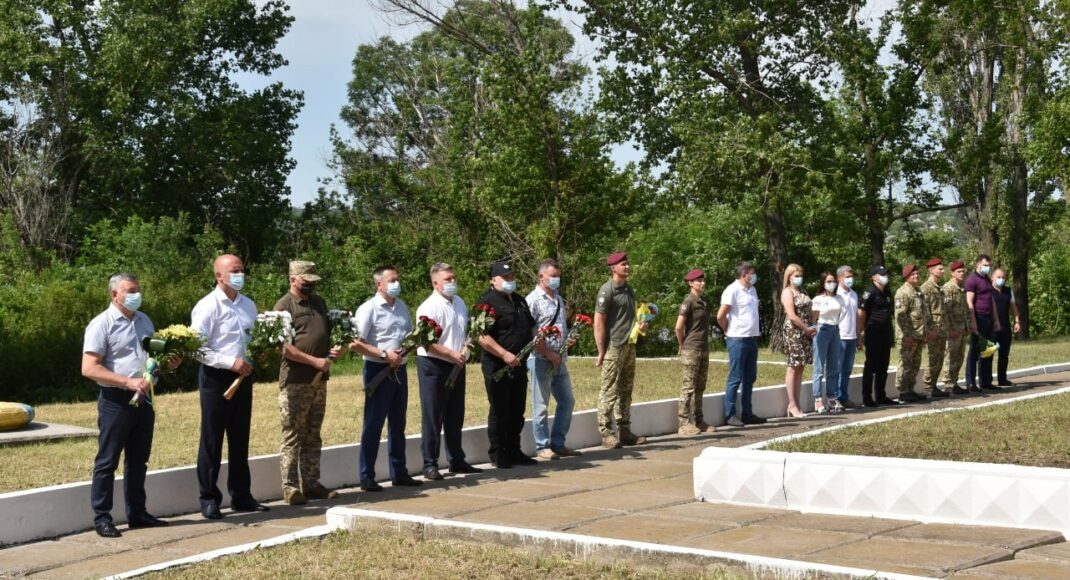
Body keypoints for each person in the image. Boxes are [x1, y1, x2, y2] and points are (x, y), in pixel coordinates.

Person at [82, 273, 171, 537]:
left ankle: (137, 513)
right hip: (115, 400)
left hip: (145, 398)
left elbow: (153, 357)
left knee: (138, 459)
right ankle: (102, 517)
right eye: (130, 291)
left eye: (138, 290)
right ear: (114, 295)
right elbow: (89, 368)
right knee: (107, 461)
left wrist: (167, 363)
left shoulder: (144, 320)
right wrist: (127, 382)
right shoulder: (102, 324)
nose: (136, 295)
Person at [191, 254, 268, 519]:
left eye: (242, 270)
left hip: (243, 378)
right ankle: (209, 498)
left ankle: (241, 495)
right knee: (212, 440)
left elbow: (252, 339)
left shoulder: (248, 305)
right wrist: (229, 362)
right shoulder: (207, 306)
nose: (240, 275)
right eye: (234, 271)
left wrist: (258, 354)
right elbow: (197, 349)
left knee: (240, 438)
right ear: (219, 276)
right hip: (216, 379)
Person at [274, 261, 341, 504]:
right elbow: (283, 347)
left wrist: (335, 350)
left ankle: (311, 484)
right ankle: (290, 488)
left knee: (313, 434)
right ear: (293, 279)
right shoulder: (284, 306)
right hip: (295, 381)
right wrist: (314, 361)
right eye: (306, 281)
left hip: (319, 381)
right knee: (293, 435)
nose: (310, 285)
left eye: (313, 281)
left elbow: (328, 333)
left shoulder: (319, 302)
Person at [351, 266, 422, 491]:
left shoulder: (401, 307)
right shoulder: (368, 309)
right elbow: (355, 342)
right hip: (377, 371)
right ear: (378, 284)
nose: (396, 283)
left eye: (397, 279)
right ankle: (366, 476)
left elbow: (408, 335)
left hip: (399, 371)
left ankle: (399, 472)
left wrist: (410, 346)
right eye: (391, 280)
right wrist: (384, 354)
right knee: (373, 424)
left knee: (398, 423)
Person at [416, 263, 482, 480]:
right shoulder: (428, 308)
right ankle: (430, 464)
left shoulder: (459, 302)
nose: (452, 282)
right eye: (447, 279)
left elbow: (465, 331)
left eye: (453, 278)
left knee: (455, 414)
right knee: (433, 415)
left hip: (457, 363)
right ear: (435, 283)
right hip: (434, 365)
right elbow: (427, 342)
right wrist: (451, 355)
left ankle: (457, 460)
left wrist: (468, 346)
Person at [477, 261, 538, 468]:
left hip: (519, 364)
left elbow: (531, 326)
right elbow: (481, 336)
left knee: (516, 409)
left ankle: (514, 449)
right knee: (500, 409)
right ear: (493, 280)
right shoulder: (486, 303)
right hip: (497, 365)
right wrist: (504, 354)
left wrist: (536, 340)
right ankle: (498, 453)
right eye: (505, 278)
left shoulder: (520, 301)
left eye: (512, 277)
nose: (510, 281)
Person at [526, 259, 580, 459]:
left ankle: (558, 443)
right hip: (541, 359)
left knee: (567, 401)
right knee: (540, 405)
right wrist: (549, 353)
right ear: (541, 277)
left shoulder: (558, 298)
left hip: (560, 359)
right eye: (553, 276)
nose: (557, 280)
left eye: (558, 276)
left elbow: (559, 326)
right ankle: (542, 446)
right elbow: (531, 334)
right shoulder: (532, 300)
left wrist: (567, 342)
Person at [594, 252, 647, 448]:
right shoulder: (607, 291)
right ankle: (606, 432)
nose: (627, 267)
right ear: (613, 268)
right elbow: (598, 322)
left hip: (629, 345)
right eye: (623, 264)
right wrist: (601, 350)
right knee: (609, 390)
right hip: (613, 347)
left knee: (626, 389)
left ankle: (624, 430)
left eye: (627, 264)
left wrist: (642, 326)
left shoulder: (628, 289)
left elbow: (631, 317)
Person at [717, 261, 766, 427]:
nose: (754, 276)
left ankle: (747, 413)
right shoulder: (732, 290)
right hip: (737, 338)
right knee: (735, 377)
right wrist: (727, 330)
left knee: (750, 377)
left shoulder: (752, 290)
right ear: (744, 274)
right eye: (752, 273)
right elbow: (720, 316)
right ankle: (730, 415)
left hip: (752, 337)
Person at [675, 268, 715, 435]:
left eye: (703, 280)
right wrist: (683, 345)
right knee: (688, 387)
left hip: (703, 348)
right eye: (698, 280)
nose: (702, 283)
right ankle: (684, 423)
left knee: (700, 386)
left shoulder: (703, 301)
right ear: (690, 283)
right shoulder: (688, 301)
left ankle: (699, 420)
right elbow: (678, 327)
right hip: (691, 348)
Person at [774, 263, 814, 417]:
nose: (799, 278)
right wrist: (805, 328)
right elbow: (791, 315)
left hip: (806, 331)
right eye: (796, 276)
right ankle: (792, 404)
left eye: (801, 275)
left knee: (801, 367)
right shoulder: (787, 292)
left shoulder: (802, 291)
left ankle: (797, 403)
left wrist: (812, 326)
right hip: (794, 332)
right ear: (789, 277)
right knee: (793, 366)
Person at [859, 265, 896, 407]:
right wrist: (861, 332)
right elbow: (861, 313)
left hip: (885, 332)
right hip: (873, 332)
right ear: (874, 277)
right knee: (871, 365)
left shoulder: (887, 292)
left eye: (886, 274)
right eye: (882, 274)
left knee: (883, 365)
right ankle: (867, 397)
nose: (885, 276)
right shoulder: (870, 293)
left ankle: (881, 395)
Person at [894, 264, 931, 403]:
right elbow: (901, 316)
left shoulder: (918, 291)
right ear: (906, 277)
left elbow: (923, 314)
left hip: (919, 335)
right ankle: (903, 391)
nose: (916, 276)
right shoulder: (902, 292)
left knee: (915, 364)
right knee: (905, 364)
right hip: (908, 336)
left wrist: (925, 333)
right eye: (912, 274)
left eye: (917, 274)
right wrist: (907, 334)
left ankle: (910, 389)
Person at [811, 271, 846, 413]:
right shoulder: (818, 299)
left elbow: (841, 314)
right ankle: (818, 398)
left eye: (833, 281)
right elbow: (813, 318)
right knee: (819, 366)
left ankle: (831, 397)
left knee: (833, 366)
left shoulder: (839, 298)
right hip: (822, 330)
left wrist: (836, 327)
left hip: (835, 329)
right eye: (828, 281)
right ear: (823, 283)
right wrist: (815, 330)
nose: (832, 284)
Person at [965, 255, 1001, 391]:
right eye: (985, 265)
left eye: (989, 265)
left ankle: (985, 381)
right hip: (978, 317)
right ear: (978, 265)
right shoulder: (972, 280)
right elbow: (969, 301)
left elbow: (992, 300)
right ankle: (970, 382)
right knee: (974, 351)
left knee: (988, 350)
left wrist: (996, 319)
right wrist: (973, 321)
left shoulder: (986, 279)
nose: (987, 268)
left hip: (989, 317)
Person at [919, 259, 949, 398]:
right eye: (939, 269)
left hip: (941, 329)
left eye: (942, 269)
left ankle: (934, 385)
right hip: (933, 330)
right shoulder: (926, 288)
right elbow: (925, 312)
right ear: (931, 270)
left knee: (939, 359)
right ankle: (928, 386)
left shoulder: (939, 287)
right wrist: (929, 330)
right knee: (932, 359)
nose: (942, 271)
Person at [941, 260, 971, 394]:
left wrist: (967, 325)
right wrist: (950, 329)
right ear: (952, 273)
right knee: (950, 357)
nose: (962, 273)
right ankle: (948, 384)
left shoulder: (963, 288)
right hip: (952, 330)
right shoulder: (948, 288)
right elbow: (945, 311)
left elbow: (965, 309)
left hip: (962, 328)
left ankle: (954, 382)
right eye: (959, 271)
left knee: (959, 357)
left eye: (963, 271)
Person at [834, 266, 860, 408]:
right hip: (840, 336)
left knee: (847, 369)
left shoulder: (854, 294)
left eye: (851, 276)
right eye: (847, 276)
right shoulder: (835, 294)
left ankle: (844, 397)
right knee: (837, 369)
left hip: (852, 336)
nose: (850, 279)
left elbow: (856, 316)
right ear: (839, 278)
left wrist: (859, 336)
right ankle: (835, 398)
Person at [991, 267, 1021, 387]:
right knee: (988, 354)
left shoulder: (1008, 291)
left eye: (1003, 277)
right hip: (991, 327)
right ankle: (986, 381)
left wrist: (1017, 321)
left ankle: (1002, 379)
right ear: (992, 277)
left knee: (1004, 354)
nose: (1001, 279)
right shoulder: (988, 291)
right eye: (998, 277)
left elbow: (1013, 307)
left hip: (1005, 327)